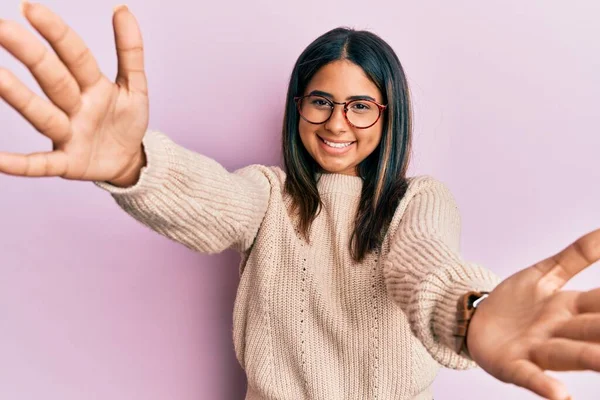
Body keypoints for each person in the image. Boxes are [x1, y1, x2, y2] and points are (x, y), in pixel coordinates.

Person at [1, 3, 599, 400]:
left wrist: (471, 312)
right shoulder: (269, 194)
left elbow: (423, 265)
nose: (338, 122)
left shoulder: (417, 200)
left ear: (389, 116)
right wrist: (134, 164)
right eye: (320, 101)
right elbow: (214, 206)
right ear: (297, 108)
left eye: (361, 105)